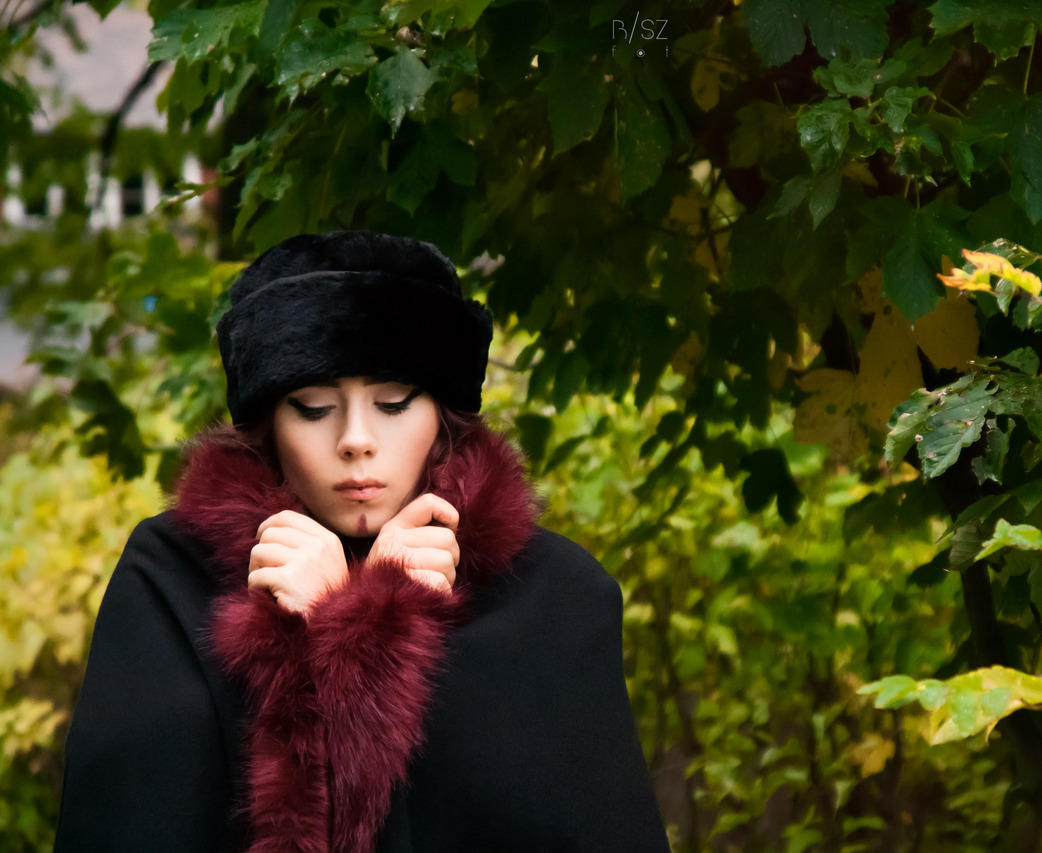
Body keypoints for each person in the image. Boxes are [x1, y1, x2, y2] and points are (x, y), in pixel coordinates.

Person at [54, 231, 670, 852]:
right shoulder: (171, 581)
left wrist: (360, 628)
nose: (356, 439)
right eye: (314, 407)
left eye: (394, 402)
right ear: (269, 421)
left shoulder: (555, 596)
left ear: (442, 412)